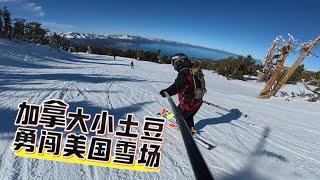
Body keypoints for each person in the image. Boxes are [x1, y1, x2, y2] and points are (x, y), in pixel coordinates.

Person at [159, 53, 203, 134]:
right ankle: (191, 128)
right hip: (197, 101)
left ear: (179, 62)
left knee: (179, 116)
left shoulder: (184, 72)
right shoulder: (193, 69)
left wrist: (166, 92)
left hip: (188, 103)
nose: (173, 66)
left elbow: (177, 86)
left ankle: (184, 129)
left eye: (173, 63)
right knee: (189, 115)